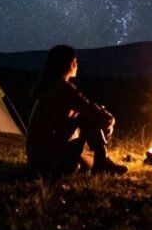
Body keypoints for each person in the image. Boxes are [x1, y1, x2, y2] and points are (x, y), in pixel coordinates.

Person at [26, 45, 128, 178]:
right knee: (87, 118)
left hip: (37, 161)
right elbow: (97, 114)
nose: (77, 64)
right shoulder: (64, 89)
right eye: (75, 60)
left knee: (88, 159)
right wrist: (109, 120)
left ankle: (102, 161)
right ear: (68, 63)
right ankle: (102, 161)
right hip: (50, 161)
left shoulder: (48, 87)